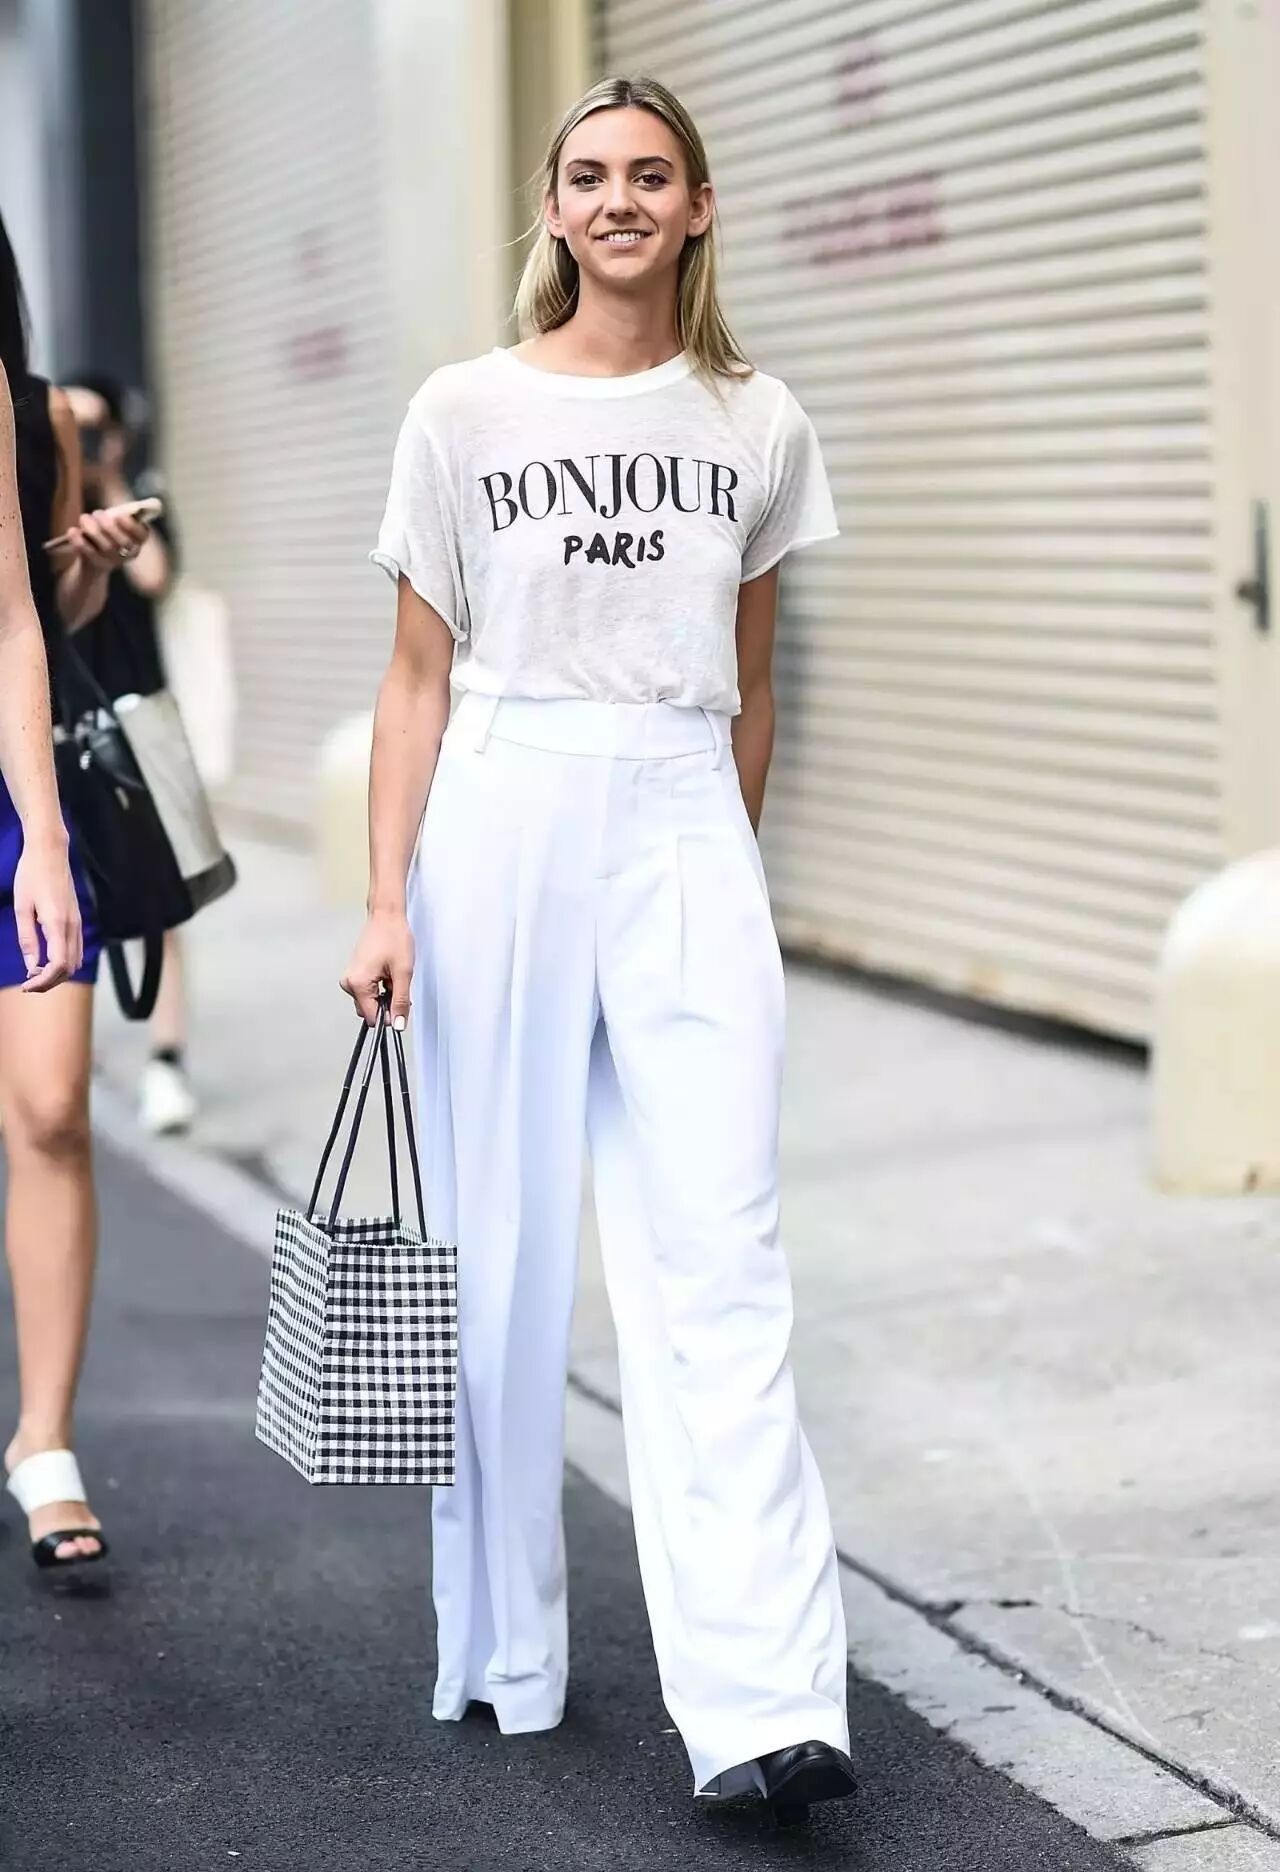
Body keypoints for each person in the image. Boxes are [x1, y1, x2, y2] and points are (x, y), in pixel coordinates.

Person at [342, 75, 856, 1813]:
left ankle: (768, 1701)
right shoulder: (464, 408)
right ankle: (504, 1650)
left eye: (651, 175)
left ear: (699, 206)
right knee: (495, 1259)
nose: (619, 198)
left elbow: (755, 679)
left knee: (722, 1256)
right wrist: (386, 897)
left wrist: (723, 867)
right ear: (554, 210)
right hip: (505, 805)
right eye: (589, 176)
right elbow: (416, 679)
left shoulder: (757, 419)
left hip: (683, 815)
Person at [0, 210, 151, 1571]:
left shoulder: (22, 402)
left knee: (52, 1106)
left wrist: (44, 839)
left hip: (12, 790)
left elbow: (24, 621)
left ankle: (44, 1439)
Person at [63, 373, 195, 1137]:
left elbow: (156, 577)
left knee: (161, 899)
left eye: (94, 429)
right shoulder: (41, 511)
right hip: (69, 729)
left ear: (117, 434)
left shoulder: (141, 501)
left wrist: (112, 487)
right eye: (68, 429)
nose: (81, 443)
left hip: (143, 716)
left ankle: (166, 1059)